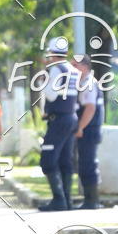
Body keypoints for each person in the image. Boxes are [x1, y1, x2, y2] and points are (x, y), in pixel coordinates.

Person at [38, 37, 79, 211]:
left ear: (51, 54)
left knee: (48, 159)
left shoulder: (57, 69)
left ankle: (59, 199)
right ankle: (67, 201)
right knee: (65, 160)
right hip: (71, 118)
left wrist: (42, 81)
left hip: (59, 120)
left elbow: (51, 94)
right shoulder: (73, 70)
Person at [71, 54, 104, 209]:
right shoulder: (83, 82)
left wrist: (80, 127)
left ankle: (92, 201)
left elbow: (90, 108)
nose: (72, 69)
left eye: (75, 65)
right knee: (84, 163)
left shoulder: (88, 83)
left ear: (84, 67)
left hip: (89, 130)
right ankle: (89, 199)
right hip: (87, 129)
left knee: (88, 164)